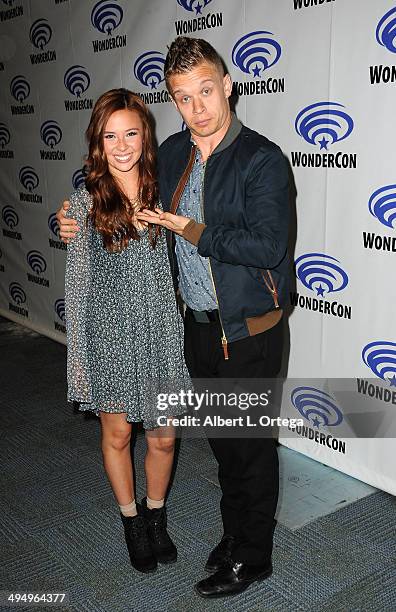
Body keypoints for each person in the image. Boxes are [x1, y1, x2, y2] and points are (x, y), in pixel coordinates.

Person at [58, 37, 289, 598]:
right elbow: (94, 194)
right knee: (223, 446)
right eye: (183, 98)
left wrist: (190, 229)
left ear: (228, 85)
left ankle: (252, 556)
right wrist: (64, 219)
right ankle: (237, 535)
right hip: (196, 330)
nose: (198, 108)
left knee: (249, 448)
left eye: (206, 91)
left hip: (248, 333)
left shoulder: (262, 159)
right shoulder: (178, 154)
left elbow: (268, 246)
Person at [64, 88, 189, 575]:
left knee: (162, 436)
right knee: (118, 435)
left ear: (145, 135)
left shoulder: (167, 189)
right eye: (109, 136)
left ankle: (157, 514)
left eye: (130, 133)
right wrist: (81, 359)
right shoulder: (85, 201)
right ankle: (131, 519)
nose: (121, 146)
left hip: (159, 331)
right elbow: (77, 288)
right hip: (109, 337)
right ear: (98, 141)